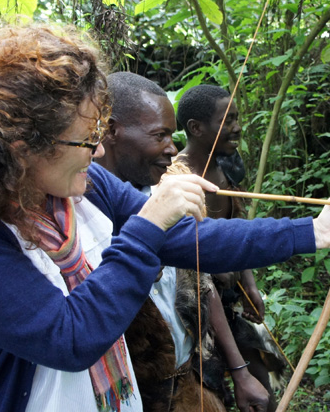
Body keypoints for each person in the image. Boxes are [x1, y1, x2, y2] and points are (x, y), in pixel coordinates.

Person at [0, 24, 330, 412]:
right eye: (85, 141)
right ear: (21, 148)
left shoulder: (78, 189)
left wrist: (312, 230)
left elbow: (187, 239)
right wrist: (147, 225)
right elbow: (70, 337)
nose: (99, 151)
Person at [96, 71, 268, 411]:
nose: (171, 149)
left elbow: (201, 279)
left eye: (171, 136)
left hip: (188, 377)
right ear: (111, 130)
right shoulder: (81, 218)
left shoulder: (163, 190)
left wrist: (239, 370)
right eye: (159, 135)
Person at [175, 85, 278, 411]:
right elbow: (198, 280)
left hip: (230, 301)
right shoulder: (176, 179)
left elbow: (236, 232)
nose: (237, 127)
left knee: (265, 391)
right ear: (196, 128)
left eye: (237, 118)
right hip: (197, 312)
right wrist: (238, 371)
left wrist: (249, 285)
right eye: (227, 120)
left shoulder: (229, 166)